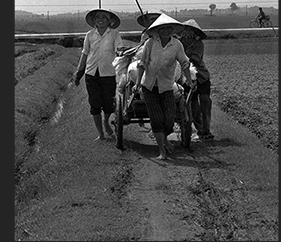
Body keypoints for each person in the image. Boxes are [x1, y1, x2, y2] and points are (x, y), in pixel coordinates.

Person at [133, 13, 194, 160]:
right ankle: (162, 151)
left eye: (168, 28)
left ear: (172, 30)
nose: (165, 31)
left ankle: (164, 139)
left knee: (169, 120)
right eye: (162, 28)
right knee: (156, 119)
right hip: (149, 86)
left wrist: (190, 80)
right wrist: (137, 83)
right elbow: (142, 63)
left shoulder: (177, 45)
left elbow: (184, 62)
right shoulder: (150, 43)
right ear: (157, 30)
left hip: (167, 86)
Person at [73, 8, 124, 141]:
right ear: (94, 20)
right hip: (91, 73)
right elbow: (85, 54)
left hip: (108, 73)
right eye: (98, 18)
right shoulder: (90, 35)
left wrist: (121, 54)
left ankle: (106, 121)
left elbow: (119, 49)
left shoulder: (114, 34)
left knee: (108, 103)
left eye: (104, 18)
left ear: (109, 21)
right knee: (94, 104)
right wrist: (79, 73)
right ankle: (100, 134)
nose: (100, 20)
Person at [179, 19, 214, 140]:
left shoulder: (198, 44)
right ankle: (199, 128)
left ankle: (206, 130)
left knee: (205, 101)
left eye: (190, 30)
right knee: (192, 103)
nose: (187, 32)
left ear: (194, 32)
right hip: (186, 76)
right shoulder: (178, 43)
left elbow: (194, 59)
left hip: (201, 76)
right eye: (186, 29)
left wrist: (183, 59)